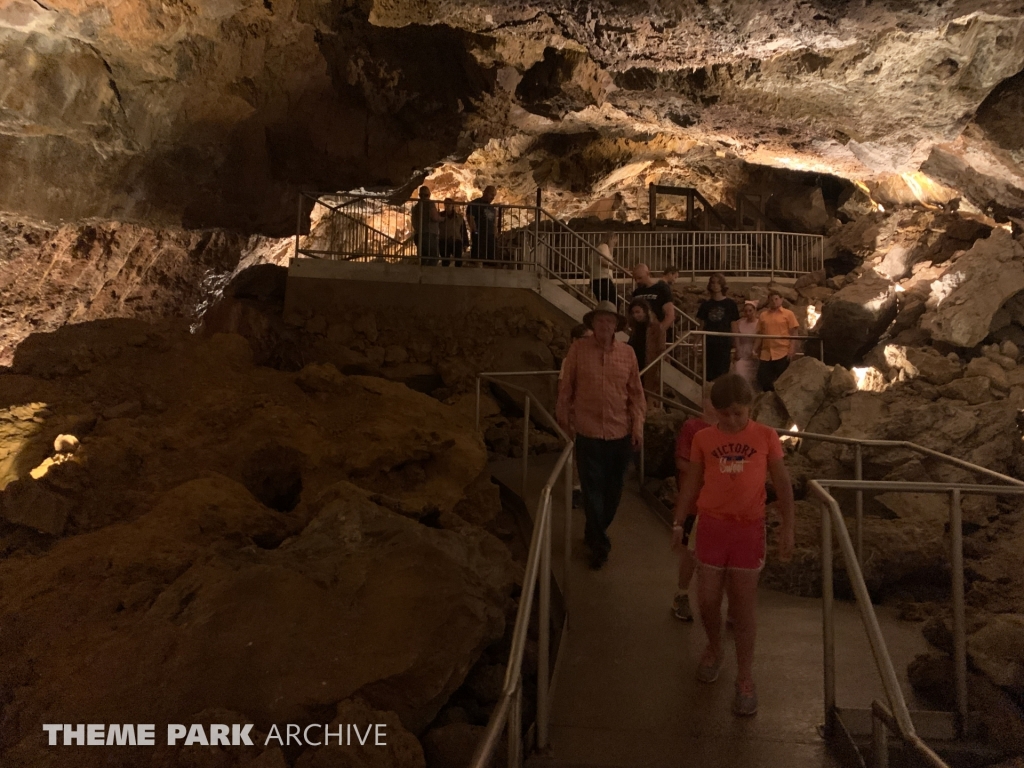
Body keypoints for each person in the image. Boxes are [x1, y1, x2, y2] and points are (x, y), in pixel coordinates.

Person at [672, 374, 795, 716]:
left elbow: (783, 484)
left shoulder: (766, 437)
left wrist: (787, 527)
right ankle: (714, 647)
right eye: (724, 413)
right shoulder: (703, 438)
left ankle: (745, 677)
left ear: (750, 408)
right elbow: (692, 483)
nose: (731, 420)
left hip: (748, 530)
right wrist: (680, 522)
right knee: (707, 600)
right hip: (711, 526)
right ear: (714, 410)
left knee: (743, 607)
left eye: (738, 413)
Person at [557, 301, 646, 570]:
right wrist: (564, 420)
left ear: (617, 326)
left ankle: (594, 530)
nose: (605, 326)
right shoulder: (578, 350)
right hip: (588, 431)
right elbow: (566, 387)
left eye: (610, 321)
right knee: (591, 489)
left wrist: (638, 425)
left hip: (620, 432)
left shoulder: (628, 354)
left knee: (613, 492)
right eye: (600, 321)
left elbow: (636, 394)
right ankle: (599, 545)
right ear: (592, 324)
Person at [670, 383, 716, 621]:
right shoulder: (692, 428)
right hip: (695, 503)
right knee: (691, 553)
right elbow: (682, 462)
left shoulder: (725, 431)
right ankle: (682, 592)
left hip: (718, 504)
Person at [560, 323, 593, 509]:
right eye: (585, 339)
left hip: (589, 412)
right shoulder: (570, 361)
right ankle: (575, 488)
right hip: (575, 412)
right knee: (574, 451)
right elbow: (563, 388)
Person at [696, 273, 740, 383]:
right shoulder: (706, 305)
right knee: (709, 373)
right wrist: (696, 342)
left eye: (718, 283)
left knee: (723, 373)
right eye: (713, 283)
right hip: (709, 343)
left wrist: (737, 346)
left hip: (724, 342)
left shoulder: (730, 304)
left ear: (722, 285)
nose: (715, 285)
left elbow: (734, 326)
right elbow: (701, 326)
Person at [753, 289, 800, 391]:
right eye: (771, 299)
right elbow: (760, 334)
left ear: (781, 299)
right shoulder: (763, 315)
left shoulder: (788, 314)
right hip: (766, 353)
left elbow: (794, 332)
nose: (774, 301)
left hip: (782, 351)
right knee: (762, 378)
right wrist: (754, 349)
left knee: (782, 379)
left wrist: (792, 349)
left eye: (776, 299)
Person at [626, 298, 664, 400]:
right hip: (636, 360)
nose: (635, 315)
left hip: (648, 360)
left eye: (638, 312)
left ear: (645, 311)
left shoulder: (655, 327)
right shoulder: (635, 327)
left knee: (647, 388)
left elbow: (660, 347)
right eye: (633, 313)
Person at [631, 263, 675, 348]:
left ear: (648, 274)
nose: (637, 281)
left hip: (656, 333)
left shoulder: (661, 289)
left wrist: (659, 332)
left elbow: (670, 315)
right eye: (635, 279)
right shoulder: (636, 292)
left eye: (640, 278)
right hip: (640, 335)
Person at [732, 300, 760, 390]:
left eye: (750, 311)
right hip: (742, 351)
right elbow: (736, 337)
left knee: (753, 379)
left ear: (755, 311)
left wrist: (755, 350)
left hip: (755, 352)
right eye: (746, 311)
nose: (748, 313)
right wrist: (738, 349)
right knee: (740, 374)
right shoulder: (740, 323)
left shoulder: (759, 323)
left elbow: (760, 338)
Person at [410, 186, 441, 266]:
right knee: (433, 257)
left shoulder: (416, 207)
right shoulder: (429, 204)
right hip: (429, 234)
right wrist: (442, 219)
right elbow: (434, 217)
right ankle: (429, 276)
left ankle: (422, 275)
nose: (425, 197)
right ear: (429, 195)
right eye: (426, 195)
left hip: (418, 235)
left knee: (422, 258)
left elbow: (413, 222)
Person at [467, 185, 498, 264]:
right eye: (491, 194)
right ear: (486, 193)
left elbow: (494, 222)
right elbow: (470, 218)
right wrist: (475, 232)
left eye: (494, 195)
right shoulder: (475, 204)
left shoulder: (491, 208)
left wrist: (495, 234)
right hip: (480, 234)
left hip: (490, 236)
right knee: (478, 257)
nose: (493, 197)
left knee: (490, 258)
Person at [439, 198, 468, 267]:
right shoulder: (440, 216)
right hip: (444, 240)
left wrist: (465, 243)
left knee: (458, 260)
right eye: (446, 204)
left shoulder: (459, 217)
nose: (448, 205)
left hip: (456, 240)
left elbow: (463, 230)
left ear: (453, 205)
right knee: (445, 261)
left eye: (449, 204)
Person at [591, 232, 618, 303]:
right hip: (603, 279)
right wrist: (615, 268)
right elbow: (603, 261)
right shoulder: (604, 246)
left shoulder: (600, 249)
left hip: (597, 279)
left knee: (606, 302)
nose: (615, 242)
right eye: (614, 239)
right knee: (614, 302)